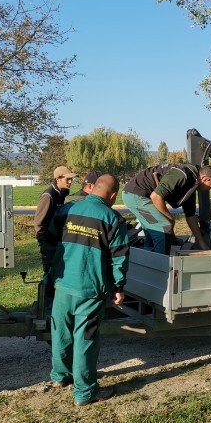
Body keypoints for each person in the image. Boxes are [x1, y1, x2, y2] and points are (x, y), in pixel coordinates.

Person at [41, 174, 129, 406]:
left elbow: (47, 239)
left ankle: (60, 377)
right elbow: (119, 259)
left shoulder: (67, 211)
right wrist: (118, 287)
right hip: (91, 290)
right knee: (85, 338)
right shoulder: (112, 218)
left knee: (61, 331)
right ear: (112, 195)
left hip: (63, 286)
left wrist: (52, 270)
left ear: (92, 189)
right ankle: (85, 392)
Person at [122, 163, 211, 254]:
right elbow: (156, 196)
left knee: (154, 229)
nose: (210, 189)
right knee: (164, 227)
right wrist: (170, 218)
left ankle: (149, 255)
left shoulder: (191, 184)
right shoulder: (182, 174)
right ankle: (161, 266)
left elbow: (191, 216)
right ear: (205, 179)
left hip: (144, 196)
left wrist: (201, 243)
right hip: (136, 194)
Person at [34, 166, 76, 273]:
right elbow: (38, 222)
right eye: (67, 179)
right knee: (50, 274)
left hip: (58, 240)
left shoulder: (64, 192)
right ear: (58, 179)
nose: (70, 182)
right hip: (49, 243)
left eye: (71, 179)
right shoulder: (48, 196)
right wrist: (44, 243)